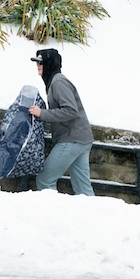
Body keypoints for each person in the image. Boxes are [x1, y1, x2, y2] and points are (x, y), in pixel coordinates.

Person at [28, 48, 95, 196]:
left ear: (50, 63)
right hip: (81, 139)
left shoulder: (58, 82)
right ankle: (92, 216)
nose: (38, 65)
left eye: (41, 62)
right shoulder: (55, 81)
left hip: (72, 139)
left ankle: (53, 215)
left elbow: (71, 110)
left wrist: (42, 113)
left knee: (45, 180)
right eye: (37, 62)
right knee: (83, 190)